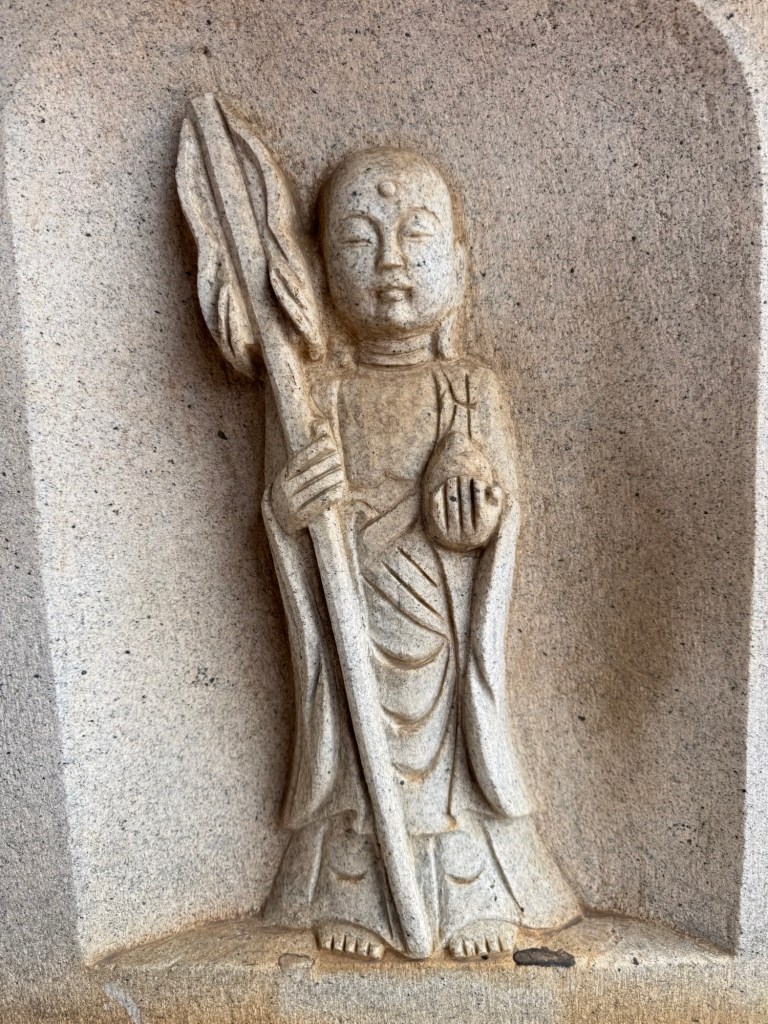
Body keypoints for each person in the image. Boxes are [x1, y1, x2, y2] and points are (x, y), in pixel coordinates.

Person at [261, 147, 578, 960]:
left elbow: (498, 520)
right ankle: (359, 900)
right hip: (352, 612)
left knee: (452, 761)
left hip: (443, 615)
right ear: (321, 270)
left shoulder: (471, 389)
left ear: (459, 266)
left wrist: (478, 513)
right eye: (359, 240)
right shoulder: (312, 396)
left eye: (416, 235)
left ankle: (471, 894)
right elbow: (283, 516)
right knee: (359, 749)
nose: (390, 264)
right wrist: (287, 510)